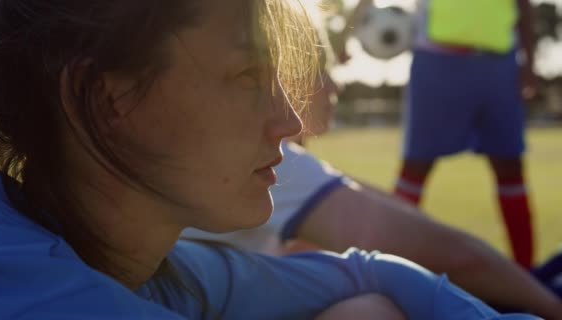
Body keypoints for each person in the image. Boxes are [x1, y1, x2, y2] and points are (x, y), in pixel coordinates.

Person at [0, 0, 542, 319]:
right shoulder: (23, 299)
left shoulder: (157, 269)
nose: (290, 120)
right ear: (109, 100)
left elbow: (370, 270)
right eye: (246, 75)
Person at [181, 4, 562, 318]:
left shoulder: (281, 166)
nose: (336, 86)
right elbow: (443, 253)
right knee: (370, 309)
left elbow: (382, 208)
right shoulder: (281, 169)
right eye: (321, 73)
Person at [392, 0, 537, 270]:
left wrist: (530, 62)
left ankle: (528, 272)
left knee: (510, 166)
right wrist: (344, 39)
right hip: (437, 59)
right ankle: (382, 265)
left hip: (499, 62)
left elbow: (524, 5)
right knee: (416, 165)